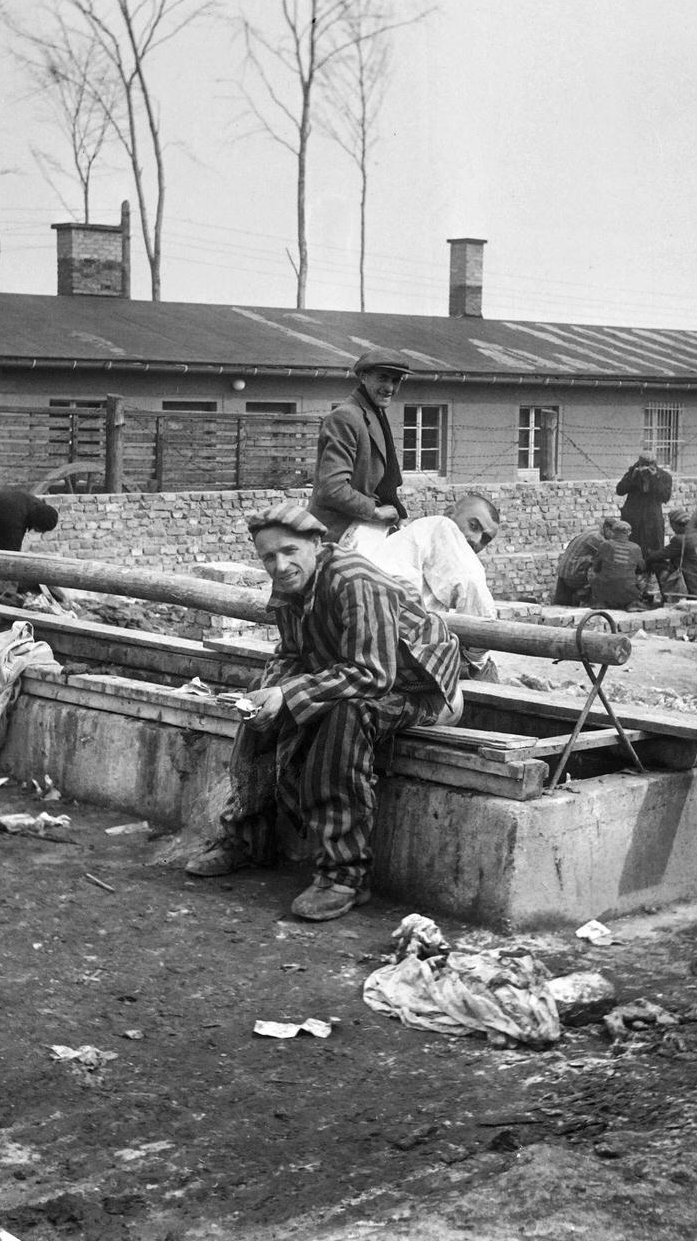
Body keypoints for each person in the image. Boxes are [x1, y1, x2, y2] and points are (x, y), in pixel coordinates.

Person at [185, 501, 463, 922]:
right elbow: (292, 654)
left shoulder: (354, 581)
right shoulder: (292, 585)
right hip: (351, 675)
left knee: (346, 718)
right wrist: (273, 692)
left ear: (317, 543)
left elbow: (373, 674)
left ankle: (345, 875)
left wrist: (292, 694)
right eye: (269, 557)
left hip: (417, 688)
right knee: (258, 700)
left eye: (289, 551)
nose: (279, 565)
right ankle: (249, 838)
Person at [372, 493, 502, 680]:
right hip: (391, 642)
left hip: (388, 643)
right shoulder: (441, 526)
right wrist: (475, 660)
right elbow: (477, 601)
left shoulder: (413, 542)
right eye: (473, 526)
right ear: (450, 513)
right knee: (485, 669)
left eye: (485, 539)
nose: (476, 540)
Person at [309, 347, 411, 546]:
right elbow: (332, 488)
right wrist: (376, 512)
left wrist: (400, 516)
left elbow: (385, 484)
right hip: (338, 534)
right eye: (383, 378)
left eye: (396, 380)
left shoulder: (374, 413)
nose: (390, 387)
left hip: (367, 527)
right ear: (363, 376)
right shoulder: (346, 417)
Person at [645, 509, 697, 599]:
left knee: (656, 563)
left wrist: (648, 556)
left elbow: (656, 556)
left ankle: (664, 597)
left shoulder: (680, 540)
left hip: (696, 587)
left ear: (674, 524)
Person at [551, 516, 620, 605]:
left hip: (563, 573)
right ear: (607, 528)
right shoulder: (598, 539)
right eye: (614, 533)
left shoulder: (589, 533)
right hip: (573, 576)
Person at [615, 453, 672, 557]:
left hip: (652, 521)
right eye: (644, 464)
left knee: (654, 553)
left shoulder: (663, 476)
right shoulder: (632, 473)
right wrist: (632, 478)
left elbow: (665, 497)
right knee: (632, 552)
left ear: (654, 464)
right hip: (633, 520)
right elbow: (620, 490)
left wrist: (655, 478)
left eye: (649, 465)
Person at [588, 520, 647, 610]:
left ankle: (601, 603)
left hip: (605, 592)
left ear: (613, 532)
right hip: (629, 593)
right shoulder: (635, 548)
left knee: (592, 573)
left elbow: (596, 567)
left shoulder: (605, 545)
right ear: (628, 533)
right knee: (640, 578)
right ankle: (633, 603)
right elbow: (642, 568)